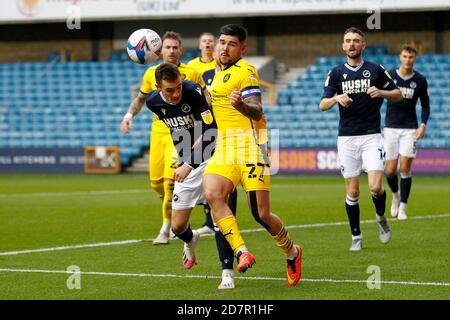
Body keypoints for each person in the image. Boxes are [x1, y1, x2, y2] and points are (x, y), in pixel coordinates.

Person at [203, 24, 302, 287]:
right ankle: (242, 252)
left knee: (261, 215)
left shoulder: (246, 72)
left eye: (231, 44)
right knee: (213, 193)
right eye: (222, 42)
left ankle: (292, 251)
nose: (224, 47)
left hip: (252, 145)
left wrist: (241, 105)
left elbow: (257, 109)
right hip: (224, 146)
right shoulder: (210, 74)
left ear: (242, 48)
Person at [120, 31, 208, 245]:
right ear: (159, 51)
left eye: (174, 47)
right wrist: (129, 115)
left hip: (180, 135)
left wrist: (204, 128)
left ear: (181, 50)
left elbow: (205, 100)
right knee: (156, 184)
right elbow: (141, 98)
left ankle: (166, 227)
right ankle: (182, 203)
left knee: (171, 182)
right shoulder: (152, 74)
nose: (170, 51)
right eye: (166, 47)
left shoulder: (193, 73)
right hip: (158, 132)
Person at [320, 27, 402, 251]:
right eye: (348, 41)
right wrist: (336, 97)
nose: (352, 44)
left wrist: (382, 93)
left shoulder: (375, 70)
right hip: (346, 138)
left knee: (375, 187)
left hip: (371, 136)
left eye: (356, 40)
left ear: (363, 45)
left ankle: (381, 217)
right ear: (343, 46)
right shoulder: (336, 73)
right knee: (353, 191)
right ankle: (356, 236)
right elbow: (322, 105)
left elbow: (398, 94)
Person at [191, 39, 239, 237]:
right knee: (210, 177)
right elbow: (204, 107)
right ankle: (210, 221)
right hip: (210, 131)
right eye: (220, 44)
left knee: (230, 179)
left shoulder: (237, 73)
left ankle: (229, 219)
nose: (220, 48)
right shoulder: (206, 76)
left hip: (232, 134)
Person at [384, 45, 430, 220]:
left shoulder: (420, 80)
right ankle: (395, 195)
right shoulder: (390, 76)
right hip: (390, 127)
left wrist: (423, 125)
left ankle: (403, 206)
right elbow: (380, 98)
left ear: (415, 59)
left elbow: (425, 105)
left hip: (410, 128)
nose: (408, 60)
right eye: (405, 56)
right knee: (389, 171)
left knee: (404, 168)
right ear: (400, 57)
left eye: (411, 57)